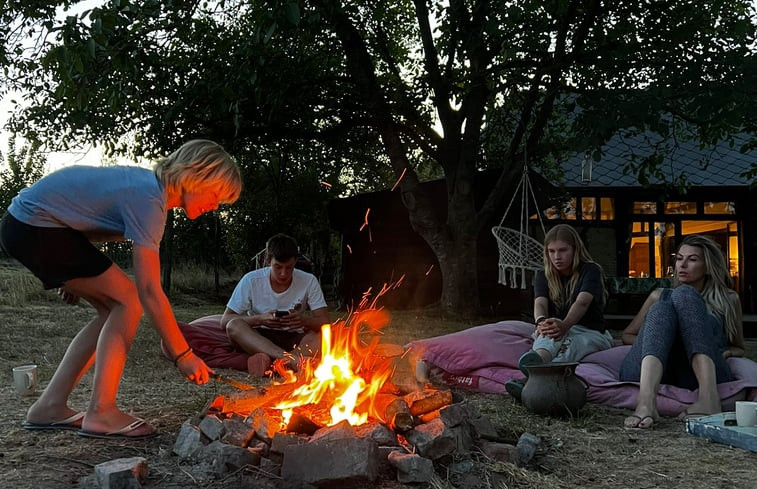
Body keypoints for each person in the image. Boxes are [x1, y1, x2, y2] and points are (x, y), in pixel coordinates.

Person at [0, 139, 242, 439]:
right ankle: (102, 411)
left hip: (34, 226)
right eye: (217, 195)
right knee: (128, 301)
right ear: (198, 175)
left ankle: (49, 406)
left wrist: (75, 273)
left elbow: (85, 217)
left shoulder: (146, 189)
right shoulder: (150, 199)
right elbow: (150, 290)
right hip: (35, 225)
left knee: (110, 308)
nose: (215, 206)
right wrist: (183, 354)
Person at [618, 234, 745, 429]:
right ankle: (646, 402)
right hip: (657, 369)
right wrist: (658, 339)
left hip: (695, 374)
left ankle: (708, 399)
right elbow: (627, 335)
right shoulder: (658, 296)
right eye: (679, 258)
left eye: (692, 259)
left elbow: (738, 346)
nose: (682, 265)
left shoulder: (729, 299)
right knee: (663, 307)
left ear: (708, 266)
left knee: (684, 294)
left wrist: (726, 352)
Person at [505, 224, 612, 400]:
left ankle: (528, 380)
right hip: (557, 329)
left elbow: (582, 302)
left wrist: (565, 324)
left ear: (575, 249)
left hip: (590, 331)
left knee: (567, 345)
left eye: (563, 250)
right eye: (551, 251)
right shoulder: (544, 274)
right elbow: (540, 302)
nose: (557, 257)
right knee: (548, 335)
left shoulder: (590, 270)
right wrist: (541, 322)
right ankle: (537, 359)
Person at [220, 233, 329, 375]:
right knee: (233, 326)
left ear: (295, 262)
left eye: (288, 267)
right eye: (278, 267)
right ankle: (291, 361)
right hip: (258, 336)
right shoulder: (251, 280)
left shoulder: (308, 280)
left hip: (293, 337)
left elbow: (325, 321)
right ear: (268, 261)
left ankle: (273, 362)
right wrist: (259, 319)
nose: (283, 274)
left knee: (323, 337)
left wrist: (303, 320)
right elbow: (225, 321)